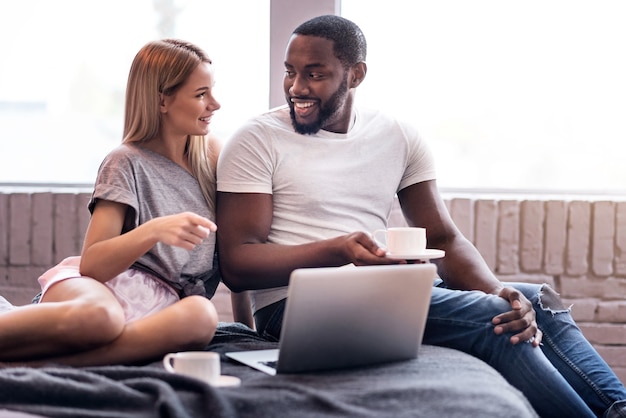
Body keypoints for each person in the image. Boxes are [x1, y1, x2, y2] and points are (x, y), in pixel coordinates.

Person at [215, 14, 626, 418]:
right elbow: (238, 263)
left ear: (355, 74)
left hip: (381, 293)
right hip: (293, 305)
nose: (296, 87)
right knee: (493, 319)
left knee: (533, 300)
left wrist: (498, 289)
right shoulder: (256, 140)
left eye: (314, 74)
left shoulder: (397, 136)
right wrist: (339, 251)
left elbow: (443, 239)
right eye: (290, 72)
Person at [0, 39, 222, 367]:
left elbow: (232, 255)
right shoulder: (126, 161)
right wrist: (154, 230)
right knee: (102, 318)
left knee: (203, 315)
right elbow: (93, 264)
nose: (215, 104)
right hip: (96, 288)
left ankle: (28, 365)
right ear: (163, 100)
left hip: (163, 303)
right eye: (201, 94)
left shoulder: (212, 160)